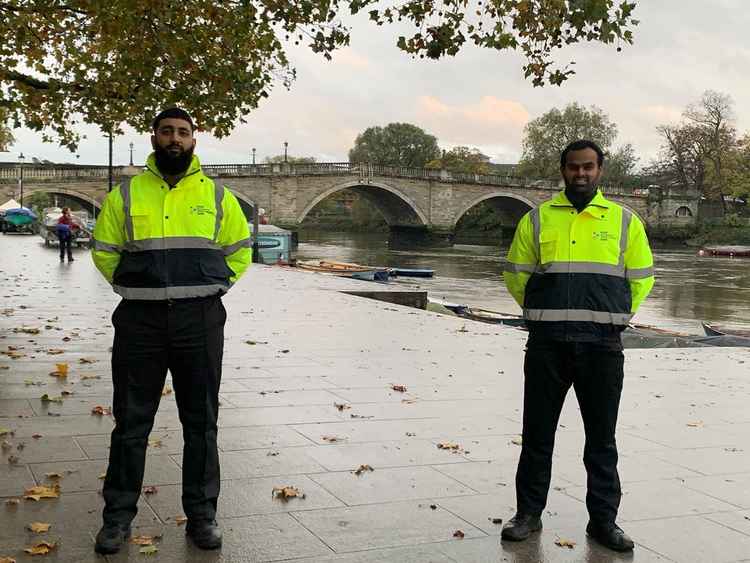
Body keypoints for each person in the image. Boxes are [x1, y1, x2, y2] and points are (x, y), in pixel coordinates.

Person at [91, 108, 251, 554]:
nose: (175, 139)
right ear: (154, 138)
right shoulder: (126, 195)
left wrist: (212, 287)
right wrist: (134, 285)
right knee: (130, 424)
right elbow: (104, 251)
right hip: (139, 321)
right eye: (167, 132)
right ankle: (117, 519)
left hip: (199, 320)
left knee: (201, 423)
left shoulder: (218, 197)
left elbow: (239, 252)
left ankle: (202, 516)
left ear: (194, 141)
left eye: (183, 132)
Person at [501, 140, 655, 552]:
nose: (581, 174)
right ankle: (528, 515)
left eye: (588, 167)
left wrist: (616, 315)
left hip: (603, 346)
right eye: (574, 167)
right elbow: (516, 275)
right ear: (563, 171)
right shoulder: (536, 220)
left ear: (600, 170)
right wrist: (543, 311)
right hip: (547, 344)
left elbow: (641, 279)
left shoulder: (625, 221)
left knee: (602, 439)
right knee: (537, 434)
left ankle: (603, 522)